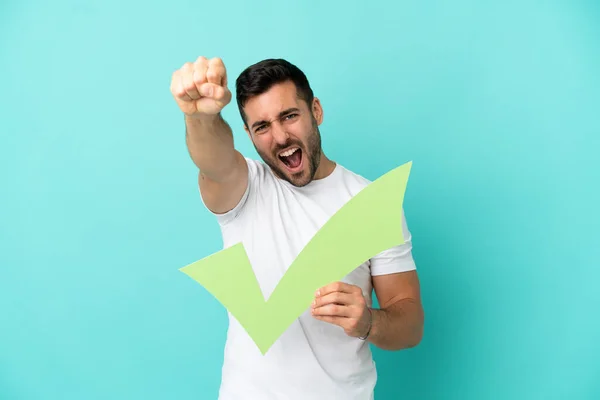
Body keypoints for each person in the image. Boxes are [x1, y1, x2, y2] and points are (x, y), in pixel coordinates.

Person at [170, 56, 424, 400]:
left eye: (289, 116)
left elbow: (409, 325)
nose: (279, 136)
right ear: (248, 135)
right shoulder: (243, 189)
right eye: (262, 127)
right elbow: (212, 159)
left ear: (315, 110)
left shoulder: (373, 204)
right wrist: (200, 116)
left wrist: (368, 322)